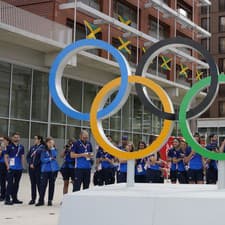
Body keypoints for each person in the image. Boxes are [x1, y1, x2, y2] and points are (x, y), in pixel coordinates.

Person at [36, 137, 59, 206]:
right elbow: (42, 160)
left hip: (53, 170)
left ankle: (50, 200)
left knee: (52, 185)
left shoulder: (54, 149)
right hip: (45, 170)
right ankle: (41, 200)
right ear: (46, 143)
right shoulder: (43, 150)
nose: (51, 144)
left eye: (52, 143)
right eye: (49, 143)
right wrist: (49, 158)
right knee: (43, 185)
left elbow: (55, 155)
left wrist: (52, 149)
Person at [4, 132, 25, 205]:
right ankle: (7, 199)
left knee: (16, 183)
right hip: (11, 168)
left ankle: (15, 198)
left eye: (18, 137)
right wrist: (7, 166)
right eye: (15, 137)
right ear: (12, 138)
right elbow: (6, 156)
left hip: (19, 168)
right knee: (10, 183)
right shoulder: (9, 146)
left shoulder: (21, 147)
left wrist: (22, 166)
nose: (16, 138)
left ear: (19, 138)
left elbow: (22, 157)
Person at [26, 135, 44, 205]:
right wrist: (30, 163)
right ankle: (33, 199)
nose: (35, 140)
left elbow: (41, 158)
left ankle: (41, 199)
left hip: (38, 168)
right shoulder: (32, 147)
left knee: (39, 184)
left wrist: (35, 164)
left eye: (36, 139)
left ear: (39, 140)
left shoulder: (42, 148)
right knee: (33, 184)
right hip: (31, 168)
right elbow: (28, 156)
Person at [0, 136, 10, 201]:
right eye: (1, 140)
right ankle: (2, 195)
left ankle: (8, 194)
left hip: (8, 165)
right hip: (1, 165)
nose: (1, 141)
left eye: (2, 140)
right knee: (2, 181)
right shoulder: (1, 148)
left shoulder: (9, 147)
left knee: (8, 180)